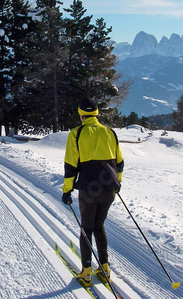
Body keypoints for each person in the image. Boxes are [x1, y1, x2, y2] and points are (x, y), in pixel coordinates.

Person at [62, 98, 124, 287]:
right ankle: (105, 269)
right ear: (97, 114)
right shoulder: (110, 132)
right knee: (99, 227)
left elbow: (71, 165)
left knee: (86, 228)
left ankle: (86, 272)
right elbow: (119, 162)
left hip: (89, 189)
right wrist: (118, 182)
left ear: (81, 115)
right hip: (109, 189)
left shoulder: (76, 133)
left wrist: (67, 190)